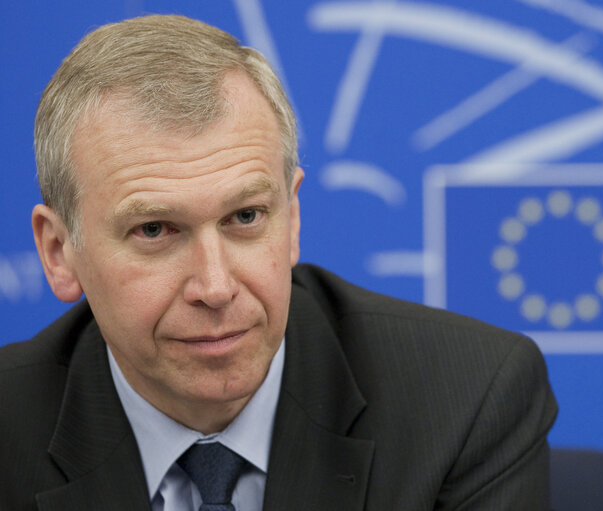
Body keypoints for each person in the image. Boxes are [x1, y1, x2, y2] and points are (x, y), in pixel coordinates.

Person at [0, 14, 557, 511]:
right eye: (154, 230)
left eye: (245, 217)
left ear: (291, 218)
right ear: (58, 251)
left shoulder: (465, 401)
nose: (216, 287)